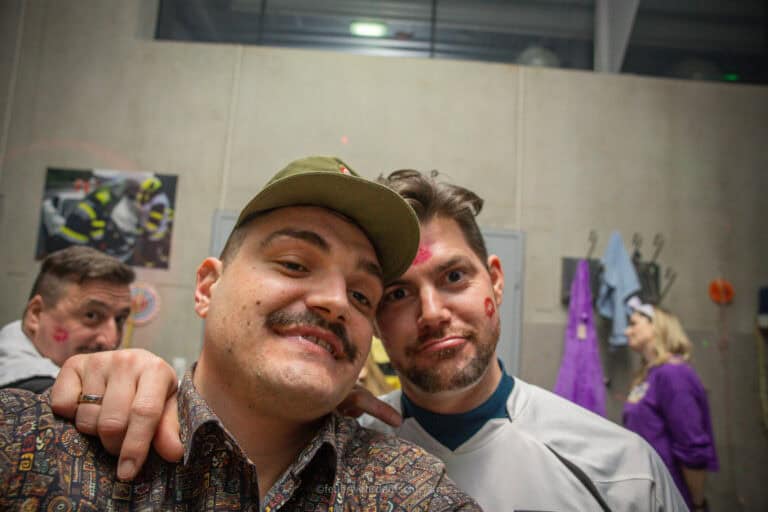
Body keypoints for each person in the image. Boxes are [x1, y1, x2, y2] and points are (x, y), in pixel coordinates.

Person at [49, 169, 687, 510]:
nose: (432, 313)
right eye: (396, 294)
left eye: (455, 278)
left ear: (495, 279)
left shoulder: (618, 471)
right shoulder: (336, 454)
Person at [0, 157, 480, 511]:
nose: (337, 301)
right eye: (294, 264)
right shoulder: (30, 441)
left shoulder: (412, 491)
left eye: (361, 295)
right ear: (208, 286)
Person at [624, 300, 719, 511]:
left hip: (670, 496)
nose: (626, 331)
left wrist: (697, 504)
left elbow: (692, 447)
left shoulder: (673, 374)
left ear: (656, 326)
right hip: (645, 494)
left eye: (633, 324)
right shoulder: (649, 376)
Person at [0, 245, 134, 392]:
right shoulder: (30, 392)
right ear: (36, 314)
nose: (111, 341)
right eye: (91, 315)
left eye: (119, 319)